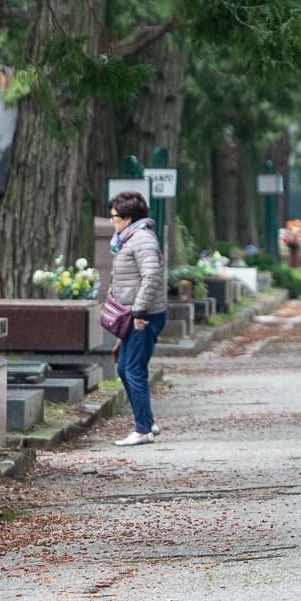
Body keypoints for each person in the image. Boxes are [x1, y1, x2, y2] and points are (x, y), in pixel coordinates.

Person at [106, 191, 166, 447]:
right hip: (131, 314)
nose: (112, 222)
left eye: (115, 217)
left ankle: (142, 429)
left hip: (144, 316)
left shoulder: (142, 239)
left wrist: (139, 312)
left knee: (134, 371)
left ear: (128, 218)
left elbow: (151, 276)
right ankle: (147, 422)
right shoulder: (127, 240)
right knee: (123, 368)